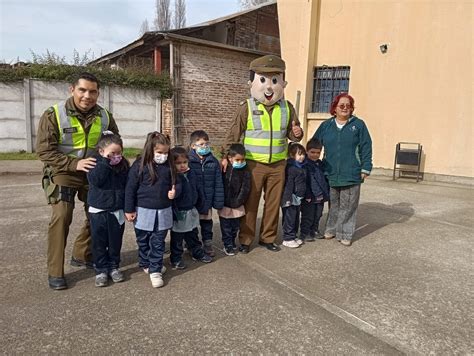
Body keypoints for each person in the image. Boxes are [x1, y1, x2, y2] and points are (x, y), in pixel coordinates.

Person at [36, 72, 120, 290]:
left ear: (98, 93)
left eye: (92, 91)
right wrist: (74, 164)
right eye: (82, 90)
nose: (87, 96)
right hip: (63, 170)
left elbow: (114, 142)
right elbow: (45, 151)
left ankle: (82, 253)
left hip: (93, 171)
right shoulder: (53, 114)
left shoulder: (105, 116)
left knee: (99, 213)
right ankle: (55, 271)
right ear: (71, 89)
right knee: (62, 216)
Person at [221, 55, 304, 253]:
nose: (269, 87)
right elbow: (233, 133)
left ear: (282, 83)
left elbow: (294, 134)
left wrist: (297, 133)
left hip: (278, 164)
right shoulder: (246, 107)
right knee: (250, 204)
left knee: (273, 204)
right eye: (263, 80)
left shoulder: (287, 107)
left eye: (274, 81)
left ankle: (268, 238)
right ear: (252, 82)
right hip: (253, 165)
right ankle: (246, 239)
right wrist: (225, 156)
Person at [312, 93, 372, 246]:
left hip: (351, 172)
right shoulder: (326, 126)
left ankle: (345, 233)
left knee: (349, 205)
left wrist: (365, 167)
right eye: (342, 105)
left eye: (348, 105)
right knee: (334, 204)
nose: (345, 108)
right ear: (335, 108)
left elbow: (366, 146)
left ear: (352, 108)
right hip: (330, 172)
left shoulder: (358, 125)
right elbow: (314, 144)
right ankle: (331, 229)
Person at [124, 132, 176, 288]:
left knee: (158, 242)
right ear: (150, 150)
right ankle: (146, 263)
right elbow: (130, 189)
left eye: (166, 153)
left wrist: (174, 192)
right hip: (143, 211)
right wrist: (129, 209)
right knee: (143, 240)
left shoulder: (169, 165)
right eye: (160, 152)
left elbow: (176, 182)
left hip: (163, 210)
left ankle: (155, 270)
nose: (163, 156)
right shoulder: (139, 166)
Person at [87, 132, 129, 287]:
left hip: (116, 210)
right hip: (98, 210)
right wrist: (105, 163)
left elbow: (127, 185)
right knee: (99, 241)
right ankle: (101, 269)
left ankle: (113, 266)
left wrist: (127, 206)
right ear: (101, 152)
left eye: (119, 153)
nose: (116, 156)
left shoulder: (123, 164)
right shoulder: (95, 163)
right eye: (112, 153)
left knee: (115, 241)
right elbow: (96, 180)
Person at [169, 146, 212, 269]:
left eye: (184, 162)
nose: (182, 165)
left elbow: (198, 189)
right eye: (178, 163)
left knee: (193, 233)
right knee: (177, 238)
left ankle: (196, 252)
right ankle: (176, 258)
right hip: (179, 212)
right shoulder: (173, 176)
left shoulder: (191, 173)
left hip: (192, 209)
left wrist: (201, 205)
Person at [188, 130, 224, 257]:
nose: (205, 147)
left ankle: (207, 244)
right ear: (193, 146)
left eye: (206, 144)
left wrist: (218, 201)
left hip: (207, 199)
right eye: (201, 144)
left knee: (207, 223)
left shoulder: (213, 161)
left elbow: (218, 182)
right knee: (191, 224)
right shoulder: (188, 161)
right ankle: (192, 245)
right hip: (193, 200)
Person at [218, 143, 251, 256]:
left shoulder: (245, 170)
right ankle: (227, 245)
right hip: (225, 204)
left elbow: (246, 187)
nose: (240, 162)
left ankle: (232, 241)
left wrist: (239, 201)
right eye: (237, 160)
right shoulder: (224, 169)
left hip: (237, 204)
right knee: (225, 227)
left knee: (235, 226)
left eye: (242, 160)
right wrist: (220, 200)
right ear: (230, 158)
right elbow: (219, 184)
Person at [299, 138, 329, 242]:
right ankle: (305, 232)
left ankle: (314, 230)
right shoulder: (305, 165)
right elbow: (304, 182)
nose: (315, 155)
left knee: (318, 214)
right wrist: (306, 195)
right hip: (309, 196)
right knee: (308, 215)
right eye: (312, 152)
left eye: (318, 153)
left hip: (320, 196)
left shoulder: (320, 164)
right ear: (307, 151)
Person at [280, 143, 306, 248]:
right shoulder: (290, 168)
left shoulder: (301, 167)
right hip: (290, 198)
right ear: (292, 155)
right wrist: (287, 199)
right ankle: (288, 238)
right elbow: (288, 185)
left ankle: (293, 235)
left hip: (298, 198)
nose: (302, 157)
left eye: (303, 154)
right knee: (289, 219)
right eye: (299, 154)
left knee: (295, 218)